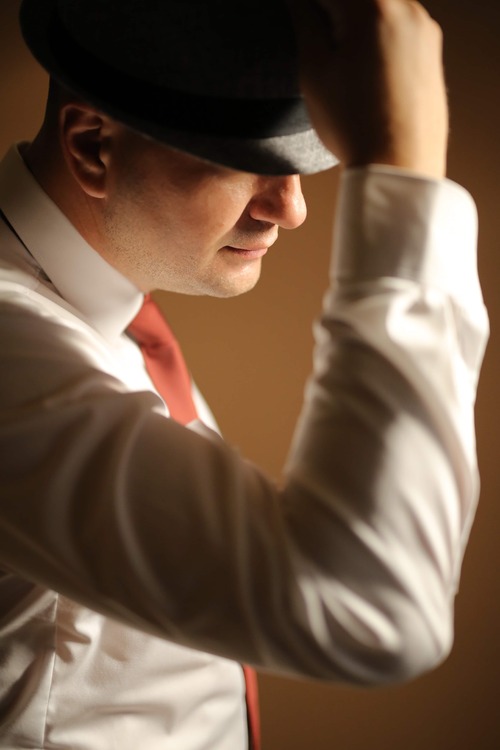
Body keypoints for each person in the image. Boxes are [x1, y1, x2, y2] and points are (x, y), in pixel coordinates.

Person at [0, 0, 488, 748]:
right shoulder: (14, 358)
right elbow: (372, 608)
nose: (291, 210)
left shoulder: (95, 315)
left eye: (302, 163)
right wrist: (404, 175)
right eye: (253, 164)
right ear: (94, 146)